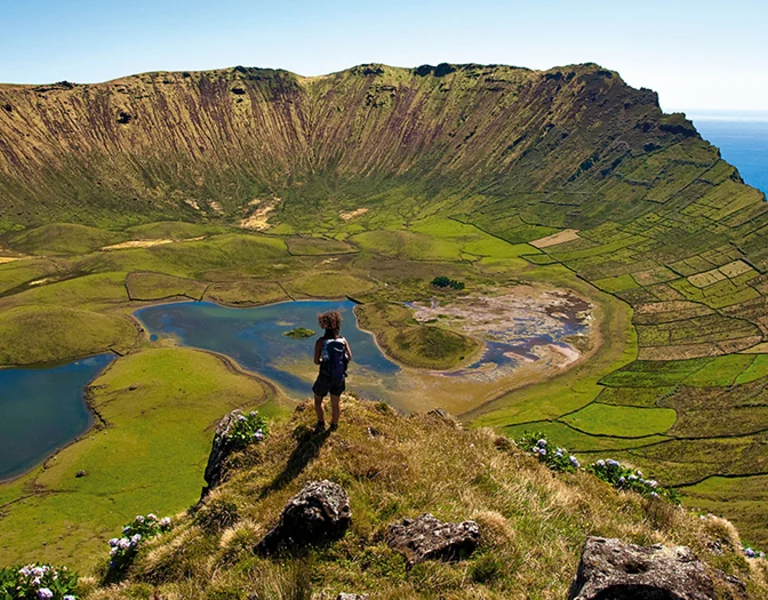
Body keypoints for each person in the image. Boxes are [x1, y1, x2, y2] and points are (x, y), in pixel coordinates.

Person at [312, 310, 352, 432]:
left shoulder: (320, 342)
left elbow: (316, 361)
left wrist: (323, 360)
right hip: (339, 377)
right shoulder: (343, 340)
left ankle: (321, 424)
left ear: (323, 325)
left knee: (318, 400)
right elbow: (349, 357)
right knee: (336, 403)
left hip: (324, 377)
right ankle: (333, 426)